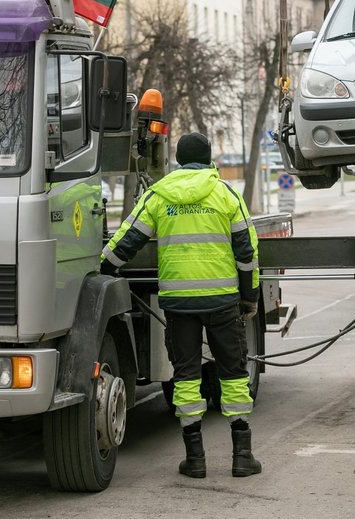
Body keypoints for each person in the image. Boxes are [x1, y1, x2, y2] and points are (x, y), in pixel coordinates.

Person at [101, 132, 262, 478]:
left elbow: (127, 239)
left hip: (178, 304)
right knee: (233, 374)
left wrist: (105, 268)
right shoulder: (225, 194)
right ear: (208, 159)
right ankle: (242, 457)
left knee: (186, 376)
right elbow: (247, 253)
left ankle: (196, 459)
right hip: (222, 302)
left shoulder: (159, 196)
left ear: (177, 158)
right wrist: (249, 297)